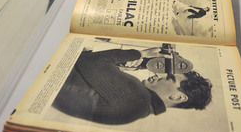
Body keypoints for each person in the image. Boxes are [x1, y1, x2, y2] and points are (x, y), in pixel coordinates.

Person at [52, 47, 212, 125]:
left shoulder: (138, 97)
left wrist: (138, 54)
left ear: (177, 96)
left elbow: (90, 61)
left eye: (170, 78)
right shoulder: (138, 111)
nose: (161, 74)